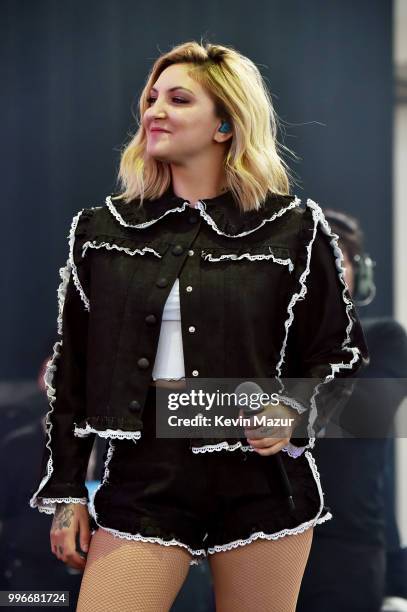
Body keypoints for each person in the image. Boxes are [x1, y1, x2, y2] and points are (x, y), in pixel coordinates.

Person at [28, 40, 369, 612]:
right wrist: (67, 491)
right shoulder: (101, 230)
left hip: (261, 482)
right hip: (143, 478)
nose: (154, 110)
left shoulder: (294, 228)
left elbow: (340, 354)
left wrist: (294, 411)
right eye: (152, 97)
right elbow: (74, 371)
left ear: (226, 125)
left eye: (179, 99)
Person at [296, 209, 407, 612]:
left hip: (347, 547)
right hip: (264, 536)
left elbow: (360, 417)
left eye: (335, 260)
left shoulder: (384, 339)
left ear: (358, 272)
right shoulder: (266, 350)